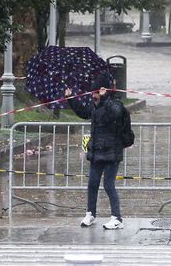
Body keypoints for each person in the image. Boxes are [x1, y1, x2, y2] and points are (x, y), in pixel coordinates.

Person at [64, 74, 126, 230]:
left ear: (104, 91)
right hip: (97, 151)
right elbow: (83, 112)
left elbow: (116, 114)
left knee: (108, 185)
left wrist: (105, 99)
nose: (93, 96)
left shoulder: (115, 103)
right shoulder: (95, 106)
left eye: (95, 93)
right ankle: (90, 213)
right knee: (92, 184)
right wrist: (71, 98)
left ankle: (117, 218)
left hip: (112, 152)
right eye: (92, 93)